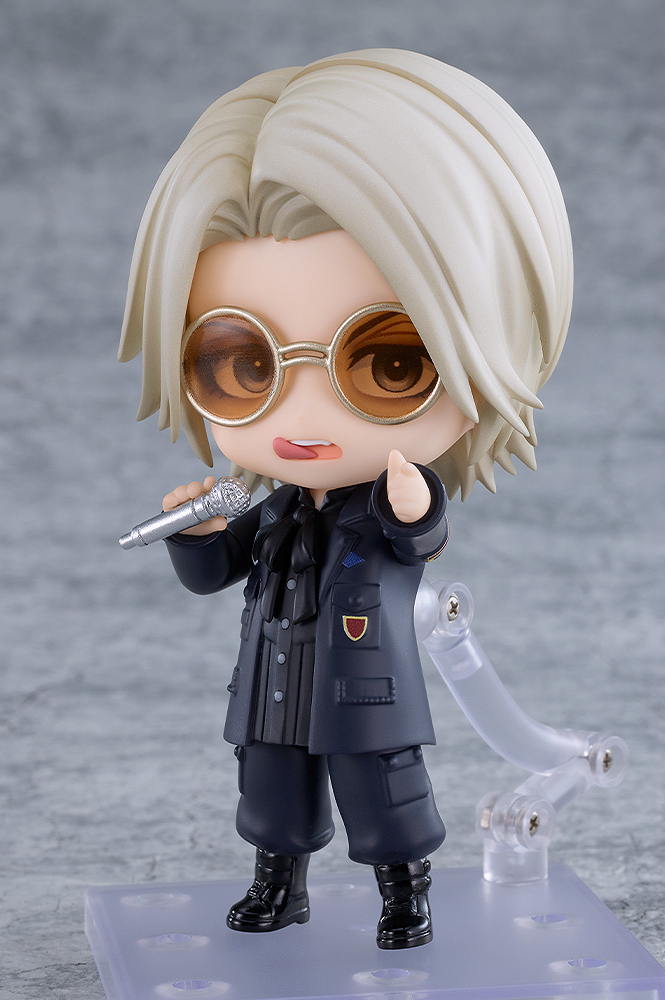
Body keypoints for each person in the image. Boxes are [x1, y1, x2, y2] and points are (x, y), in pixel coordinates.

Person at [118, 48, 573, 950]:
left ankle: (405, 896)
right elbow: (214, 573)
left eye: (389, 362)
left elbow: (419, 538)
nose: (303, 412)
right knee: (271, 794)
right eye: (240, 364)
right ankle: (277, 886)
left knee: (385, 798)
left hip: (368, 686)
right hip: (274, 681)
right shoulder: (273, 506)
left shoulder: (387, 498)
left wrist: (412, 503)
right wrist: (199, 532)